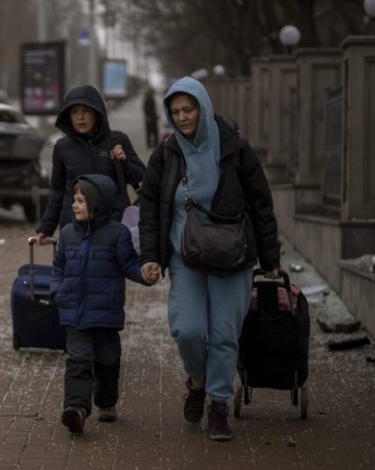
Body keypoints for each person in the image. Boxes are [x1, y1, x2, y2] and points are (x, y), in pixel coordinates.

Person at [138, 76, 281, 442]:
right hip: (186, 255)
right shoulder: (167, 152)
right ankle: (197, 382)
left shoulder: (233, 146)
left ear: (203, 106)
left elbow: (261, 201)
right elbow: (150, 205)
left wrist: (270, 257)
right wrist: (151, 255)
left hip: (234, 256)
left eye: (189, 109)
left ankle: (218, 404)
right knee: (188, 329)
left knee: (223, 334)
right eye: (175, 111)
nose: (183, 117)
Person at [50, 174, 157, 434]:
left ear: (97, 203)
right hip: (74, 312)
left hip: (105, 313)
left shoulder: (117, 234)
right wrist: (58, 290)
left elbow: (128, 265)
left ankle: (106, 403)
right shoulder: (67, 234)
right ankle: (76, 409)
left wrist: (144, 274)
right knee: (78, 360)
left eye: (80, 201)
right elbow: (58, 267)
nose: (74, 205)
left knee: (108, 360)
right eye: (74, 200)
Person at [34, 85, 145, 246]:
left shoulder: (118, 140)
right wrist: (46, 227)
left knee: (110, 270)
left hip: (113, 227)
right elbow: (57, 191)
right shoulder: (62, 147)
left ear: (97, 113)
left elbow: (142, 178)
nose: (80, 117)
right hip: (74, 228)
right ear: (68, 115)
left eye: (86, 111)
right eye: (74, 111)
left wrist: (123, 160)